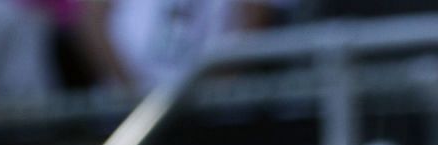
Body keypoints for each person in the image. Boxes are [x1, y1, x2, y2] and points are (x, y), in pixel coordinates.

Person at [74, 0, 287, 91]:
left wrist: (220, 89)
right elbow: (92, 19)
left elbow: (256, 18)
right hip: (131, 114)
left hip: (219, 109)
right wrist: (131, 91)